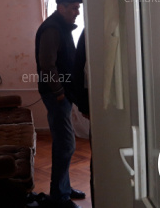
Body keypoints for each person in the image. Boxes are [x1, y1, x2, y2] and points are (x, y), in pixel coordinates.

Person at [35, 0, 85, 208]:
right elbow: (47, 65)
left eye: (78, 8)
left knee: (65, 142)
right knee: (65, 144)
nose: (77, 12)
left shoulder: (62, 27)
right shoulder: (52, 29)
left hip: (61, 93)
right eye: (73, 8)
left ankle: (63, 188)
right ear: (61, 8)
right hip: (56, 95)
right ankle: (59, 197)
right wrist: (59, 92)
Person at [73, 29, 94, 206]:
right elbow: (79, 67)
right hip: (97, 104)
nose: (78, 15)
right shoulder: (90, 31)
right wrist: (83, 104)